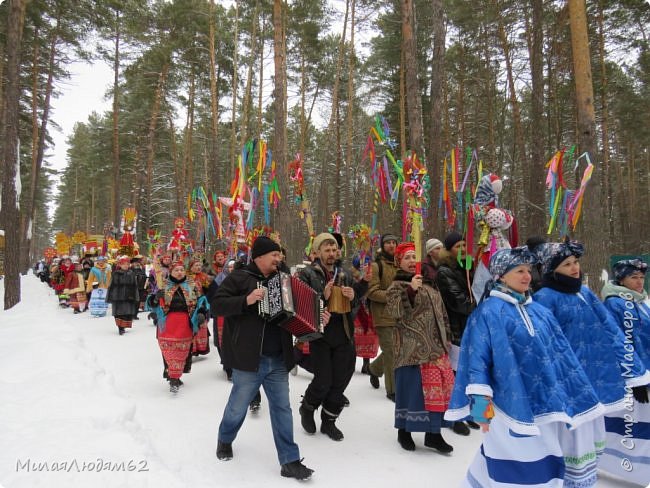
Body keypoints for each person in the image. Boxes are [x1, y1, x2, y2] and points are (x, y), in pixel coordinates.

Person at [445, 248, 605, 487]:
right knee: (515, 458)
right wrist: (480, 401)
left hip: (544, 401)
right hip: (506, 403)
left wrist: (574, 392)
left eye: (529, 271)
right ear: (501, 275)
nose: (527, 276)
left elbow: (562, 355)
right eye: (519, 271)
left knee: (545, 454)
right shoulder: (487, 312)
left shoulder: (540, 312)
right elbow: (477, 358)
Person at [533, 240, 650, 486]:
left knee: (595, 441)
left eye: (575, 262)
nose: (575, 268)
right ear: (552, 269)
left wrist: (636, 374)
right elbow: (544, 347)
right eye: (567, 264)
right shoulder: (544, 298)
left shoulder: (584, 293)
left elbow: (612, 331)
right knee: (573, 445)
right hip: (568, 387)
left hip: (597, 382)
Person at [213, 237, 314, 480]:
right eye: (274, 255)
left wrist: (318, 316)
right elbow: (217, 305)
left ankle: (289, 460)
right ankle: (225, 439)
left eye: (279, 255)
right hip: (249, 359)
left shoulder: (285, 281)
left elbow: (299, 312)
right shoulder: (239, 278)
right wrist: (245, 300)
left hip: (278, 359)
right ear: (259, 257)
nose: (279, 259)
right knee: (237, 407)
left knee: (282, 409)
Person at [386, 242, 455, 453]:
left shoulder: (430, 284)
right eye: (406, 257)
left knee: (437, 393)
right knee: (412, 391)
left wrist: (447, 337)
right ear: (399, 261)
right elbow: (395, 311)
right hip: (411, 350)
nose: (411, 261)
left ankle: (434, 434)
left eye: (414, 257)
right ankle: (404, 431)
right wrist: (410, 291)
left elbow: (442, 313)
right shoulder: (396, 286)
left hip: (436, 348)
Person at [298, 232, 366, 441]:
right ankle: (308, 407)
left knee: (340, 380)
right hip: (320, 334)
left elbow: (354, 306)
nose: (331, 253)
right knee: (324, 380)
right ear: (317, 252)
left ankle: (329, 421)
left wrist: (354, 297)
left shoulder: (344, 273)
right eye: (326, 250)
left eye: (334, 249)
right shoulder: (307, 274)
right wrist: (323, 297)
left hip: (343, 331)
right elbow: (302, 304)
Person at [599, 258, 650, 485]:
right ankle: (625, 468)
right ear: (621, 279)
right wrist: (634, 378)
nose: (639, 282)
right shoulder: (617, 303)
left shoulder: (637, 301)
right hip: (632, 377)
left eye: (641, 277)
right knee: (630, 425)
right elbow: (622, 342)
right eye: (633, 278)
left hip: (645, 371)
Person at [435, 231, 478, 435]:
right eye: (457, 246)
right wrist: (479, 302)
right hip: (456, 328)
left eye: (464, 245)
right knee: (456, 374)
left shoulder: (469, 266)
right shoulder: (444, 271)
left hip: (472, 326)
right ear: (449, 250)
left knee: (471, 372)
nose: (462, 249)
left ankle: (471, 411)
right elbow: (458, 301)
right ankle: (456, 414)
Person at [149, 259, 205, 392]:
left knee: (183, 351)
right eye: (176, 270)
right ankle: (173, 377)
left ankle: (176, 375)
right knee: (169, 351)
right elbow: (152, 304)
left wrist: (202, 313)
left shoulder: (192, 285)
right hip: (167, 324)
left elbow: (201, 301)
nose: (179, 273)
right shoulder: (164, 285)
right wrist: (156, 298)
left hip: (185, 323)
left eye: (181, 270)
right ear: (171, 272)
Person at [366, 233, 399, 400]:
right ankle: (392, 390)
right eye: (388, 243)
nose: (391, 245)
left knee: (392, 350)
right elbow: (371, 292)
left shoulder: (401, 264)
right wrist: (392, 295)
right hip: (382, 315)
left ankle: (374, 369)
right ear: (382, 245)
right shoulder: (376, 265)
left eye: (394, 242)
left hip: (400, 315)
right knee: (391, 351)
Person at [106, 255, 140, 335]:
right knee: (118, 314)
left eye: (127, 264)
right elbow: (111, 286)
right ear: (120, 265)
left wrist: (136, 296)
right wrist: (110, 297)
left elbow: (135, 286)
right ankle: (120, 328)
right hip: (118, 297)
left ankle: (123, 326)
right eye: (124, 264)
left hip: (129, 297)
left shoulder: (132, 274)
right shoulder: (116, 274)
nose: (126, 265)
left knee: (127, 313)